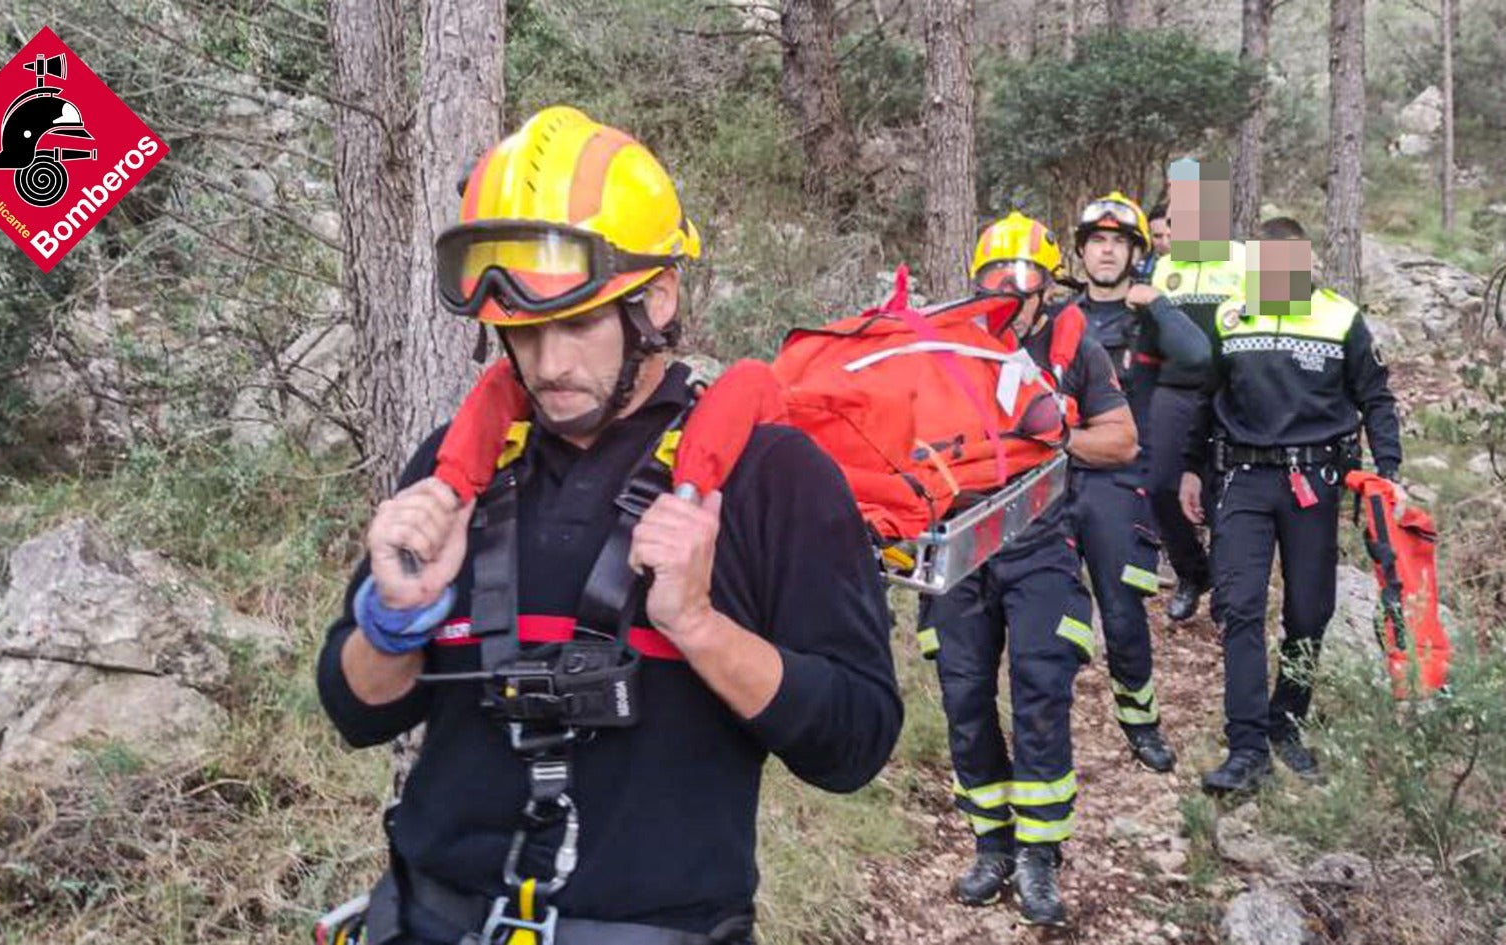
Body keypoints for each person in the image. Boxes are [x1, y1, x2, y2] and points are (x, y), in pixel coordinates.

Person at [316, 106, 903, 945]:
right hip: (428, 919)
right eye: (522, 332)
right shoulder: (458, 471)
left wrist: (700, 628)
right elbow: (353, 709)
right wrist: (397, 616)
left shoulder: (773, 478)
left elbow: (855, 742)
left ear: (656, 298)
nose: (549, 364)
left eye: (579, 323)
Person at [921, 212, 1137, 927]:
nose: (1011, 288)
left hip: (1041, 544)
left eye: (1025, 275)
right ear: (975, 280)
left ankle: (1041, 855)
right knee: (964, 697)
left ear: (1049, 281)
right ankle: (992, 843)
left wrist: (1062, 437)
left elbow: (1123, 440)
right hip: (958, 549)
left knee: (1042, 691)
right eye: (996, 275)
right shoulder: (946, 347)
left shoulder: (1075, 344)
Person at [1181, 216, 1403, 794]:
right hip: (1243, 480)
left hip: (1314, 482)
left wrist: (1391, 469)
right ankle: (1247, 747)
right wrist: (1188, 470)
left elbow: (1375, 397)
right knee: (1241, 609)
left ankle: (1286, 723)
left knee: (1309, 611)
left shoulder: (1339, 317)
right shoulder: (1229, 318)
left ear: (1305, 264)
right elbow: (1204, 401)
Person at [1068, 191, 1211, 772]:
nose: (1106, 252)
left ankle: (1141, 722)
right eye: (1097, 242)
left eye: (1118, 243)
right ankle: (1049, 729)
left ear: (1135, 252)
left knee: (1124, 615)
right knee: (1049, 615)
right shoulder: (1060, 316)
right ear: (1081, 252)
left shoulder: (1148, 317)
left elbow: (1200, 358)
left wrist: (1160, 307)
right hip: (1054, 480)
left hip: (1122, 484)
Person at [1149, 158, 1245, 622]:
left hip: (1231, 394)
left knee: (1225, 496)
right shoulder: (1163, 268)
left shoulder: (1247, 261)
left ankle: (1229, 593)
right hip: (1175, 391)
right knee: (1160, 487)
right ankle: (1192, 570)